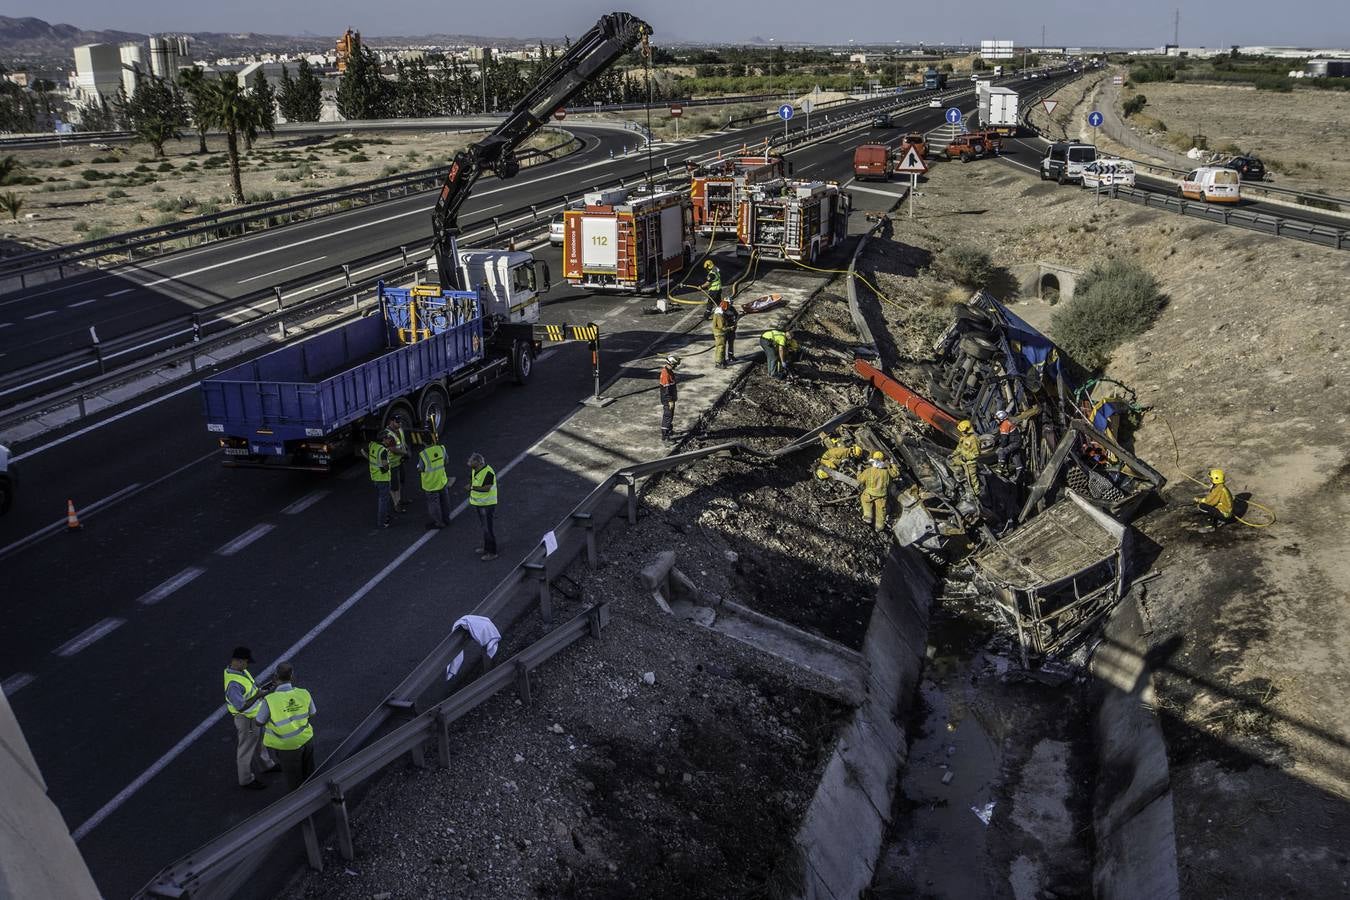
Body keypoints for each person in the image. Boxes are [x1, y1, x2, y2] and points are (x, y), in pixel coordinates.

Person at [253, 661, 315, 793]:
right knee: (310, 774)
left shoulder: (269, 700)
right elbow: (312, 713)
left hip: (287, 747)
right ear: (292, 676)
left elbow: (259, 722)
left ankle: (302, 808)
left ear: (275, 677)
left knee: (294, 781)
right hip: (306, 740)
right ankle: (313, 798)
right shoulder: (304, 693)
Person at [224, 646, 276, 790]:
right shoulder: (233, 684)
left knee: (259, 742)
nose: (248, 665)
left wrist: (260, 691)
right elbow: (241, 706)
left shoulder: (240, 671)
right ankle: (246, 779)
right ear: (239, 661)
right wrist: (258, 696)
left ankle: (266, 765)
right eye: (246, 662)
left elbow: (249, 691)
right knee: (246, 749)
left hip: (254, 716)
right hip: (246, 720)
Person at [417, 433, 456, 529]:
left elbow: (421, 468)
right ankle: (447, 519)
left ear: (423, 442)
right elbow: (446, 461)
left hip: (430, 484)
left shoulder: (423, 454)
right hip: (442, 480)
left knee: (434, 504)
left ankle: (439, 523)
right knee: (445, 501)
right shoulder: (441, 448)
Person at [359, 432, 396, 528]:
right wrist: (388, 467)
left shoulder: (373, 445)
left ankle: (387, 516)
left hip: (375, 476)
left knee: (384, 498)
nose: (390, 440)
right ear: (383, 439)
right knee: (383, 500)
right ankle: (382, 522)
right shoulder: (383, 450)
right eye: (388, 438)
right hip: (382, 478)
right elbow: (385, 464)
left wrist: (371, 460)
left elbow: (363, 451)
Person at [468, 452, 498, 560]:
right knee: (484, 527)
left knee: (488, 528)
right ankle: (486, 548)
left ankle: (492, 552)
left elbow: (487, 488)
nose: (469, 462)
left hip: (487, 504)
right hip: (480, 504)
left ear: (478, 462)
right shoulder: (474, 470)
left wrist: (472, 488)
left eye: (471, 460)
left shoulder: (488, 472)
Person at [858, 450, 893, 532]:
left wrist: (859, 470)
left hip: (869, 493)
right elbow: (889, 482)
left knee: (865, 499)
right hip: (882, 495)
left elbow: (860, 480)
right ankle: (879, 527)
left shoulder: (868, 471)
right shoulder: (886, 472)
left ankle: (868, 516)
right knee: (881, 511)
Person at [950, 419, 983, 501]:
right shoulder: (963, 438)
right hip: (963, 460)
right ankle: (963, 483)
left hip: (970, 462)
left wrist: (967, 457)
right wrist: (953, 454)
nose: (962, 432)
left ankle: (975, 494)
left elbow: (976, 454)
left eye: (963, 431)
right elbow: (959, 448)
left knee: (972, 478)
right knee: (952, 463)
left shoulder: (974, 439)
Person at [384, 423, 410, 513]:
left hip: (400, 460)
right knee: (394, 485)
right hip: (393, 463)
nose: (400, 424)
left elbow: (403, 442)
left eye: (400, 422)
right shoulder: (388, 434)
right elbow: (392, 449)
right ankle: (396, 504)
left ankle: (399, 500)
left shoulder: (399, 429)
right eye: (397, 422)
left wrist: (406, 449)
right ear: (391, 422)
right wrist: (404, 453)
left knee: (402, 480)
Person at [994, 410, 1025, 479]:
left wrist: (1001, 447)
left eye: (997, 419)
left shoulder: (1004, 425)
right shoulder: (1007, 422)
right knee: (1016, 457)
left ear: (1001, 418)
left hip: (1014, 443)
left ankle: (999, 472)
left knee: (1001, 452)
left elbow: (1004, 440)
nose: (996, 421)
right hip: (1017, 442)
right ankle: (1020, 475)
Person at [659, 355, 680, 442]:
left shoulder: (669, 371)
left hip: (670, 398)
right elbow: (666, 390)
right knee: (667, 416)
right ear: (671, 364)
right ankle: (665, 436)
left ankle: (669, 430)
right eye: (675, 364)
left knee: (670, 415)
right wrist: (670, 400)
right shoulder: (666, 374)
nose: (676, 366)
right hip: (668, 400)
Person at [712, 302, 728, 368]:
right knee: (720, 348)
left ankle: (722, 360)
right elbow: (721, 326)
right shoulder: (719, 315)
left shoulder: (718, 313)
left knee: (721, 347)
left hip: (719, 333)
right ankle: (718, 363)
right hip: (720, 333)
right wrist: (729, 328)